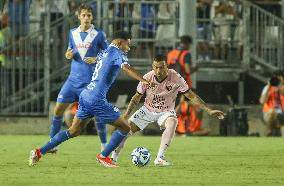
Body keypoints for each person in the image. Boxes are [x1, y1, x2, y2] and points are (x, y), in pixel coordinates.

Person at [28, 31, 154, 168]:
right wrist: (144, 80)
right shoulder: (116, 53)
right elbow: (127, 68)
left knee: (73, 131)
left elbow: (97, 60)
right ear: (119, 42)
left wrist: (92, 59)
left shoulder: (105, 52)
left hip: (85, 94)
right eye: (127, 44)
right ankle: (103, 156)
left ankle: (38, 152)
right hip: (96, 99)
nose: (128, 48)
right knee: (125, 127)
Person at [111, 55, 225, 166]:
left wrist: (209, 110)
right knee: (125, 129)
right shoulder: (147, 77)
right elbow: (136, 98)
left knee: (172, 122)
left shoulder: (176, 77)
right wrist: (125, 115)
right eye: (156, 67)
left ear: (167, 66)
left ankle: (159, 158)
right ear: (152, 66)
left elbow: (191, 96)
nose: (158, 70)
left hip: (166, 112)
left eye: (161, 67)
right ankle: (113, 159)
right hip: (147, 110)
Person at [48, 4, 108, 153]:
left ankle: (104, 146)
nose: (86, 18)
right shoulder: (72, 33)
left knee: (98, 114)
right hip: (72, 81)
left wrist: (96, 59)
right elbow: (70, 50)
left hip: (89, 83)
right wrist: (68, 54)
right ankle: (52, 144)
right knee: (57, 110)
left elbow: (108, 54)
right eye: (84, 15)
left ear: (92, 17)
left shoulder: (98, 34)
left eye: (89, 15)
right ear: (78, 16)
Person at [259, 71, 284, 136]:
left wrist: (279, 88)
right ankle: (269, 132)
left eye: (279, 79)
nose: (277, 81)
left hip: (282, 114)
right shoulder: (267, 88)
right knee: (272, 112)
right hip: (269, 114)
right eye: (276, 79)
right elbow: (262, 101)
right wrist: (269, 87)